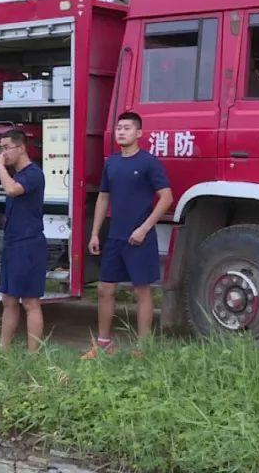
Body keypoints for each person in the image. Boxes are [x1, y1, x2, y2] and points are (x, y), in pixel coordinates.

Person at [84, 112, 173, 359]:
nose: (121, 132)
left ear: (139, 133)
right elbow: (103, 197)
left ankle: (144, 347)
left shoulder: (148, 162)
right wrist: (94, 234)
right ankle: (103, 344)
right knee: (104, 289)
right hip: (115, 237)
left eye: (127, 128)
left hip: (140, 238)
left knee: (142, 291)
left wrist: (144, 228)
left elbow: (166, 197)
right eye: (118, 128)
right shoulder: (111, 163)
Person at [0, 130, 48, 351]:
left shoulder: (33, 174)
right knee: (9, 299)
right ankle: (3, 349)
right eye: (1, 148)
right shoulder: (16, 174)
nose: (3, 153)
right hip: (13, 242)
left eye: (6, 147)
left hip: (29, 244)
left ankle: (33, 354)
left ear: (22, 148)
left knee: (30, 302)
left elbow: (13, 190)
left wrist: (1, 167)